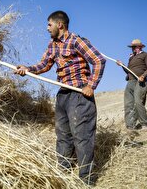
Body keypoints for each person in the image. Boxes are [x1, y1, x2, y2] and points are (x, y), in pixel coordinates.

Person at [14, 11, 106, 185]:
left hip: (79, 93)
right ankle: (62, 174)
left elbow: (99, 60)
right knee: (63, 134)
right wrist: (27, 69)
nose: (47, 28)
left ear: (60, 25)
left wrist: (91, 86)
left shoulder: (76, 41)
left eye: (49, 24)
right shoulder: (52, 45)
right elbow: (44, 64)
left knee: (82, 135)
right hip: (63, 93)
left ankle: (86, 179)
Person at [116, 39, 147, 131]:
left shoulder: (146, 55)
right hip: (130, 82)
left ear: (139, 47)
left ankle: (145, 124)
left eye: (134, 47)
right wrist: (122, 65)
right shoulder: (131, 58)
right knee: (128, 104)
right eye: (132, 47)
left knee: (138, 102)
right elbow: (128, 71)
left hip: (140, 81)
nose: (133, 49)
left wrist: (143, 76)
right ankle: (130, 126)